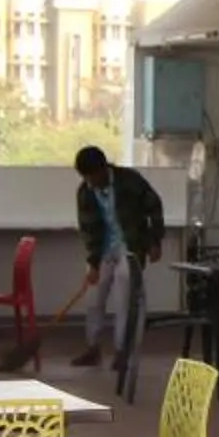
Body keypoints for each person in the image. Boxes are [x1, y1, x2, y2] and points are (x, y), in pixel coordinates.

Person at [71, 144, 165, 373]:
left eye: (92, 176)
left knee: (125, 298)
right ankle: (93, 348)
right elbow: (88, 230)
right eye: (85, 177)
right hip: (104, 250)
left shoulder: (129, 181)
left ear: (104, 169)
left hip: (130, 247)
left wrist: (154, 240)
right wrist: (93, 263)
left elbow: (154, 206)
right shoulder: (85, 193)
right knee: (93, 298)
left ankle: (123, 351)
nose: (89, 182)